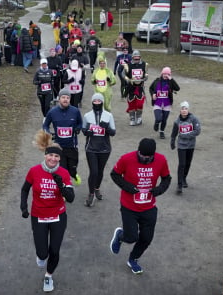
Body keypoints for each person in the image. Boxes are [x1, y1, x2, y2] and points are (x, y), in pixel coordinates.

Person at [20, 129, 75, 292]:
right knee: (42, 253)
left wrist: (61, 185)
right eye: (51, 155)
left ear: (60, 158)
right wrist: (23, 206)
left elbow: (71, 198)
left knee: (55, 250)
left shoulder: (63, 173)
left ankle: (48, 276)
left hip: (58, 215)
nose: (53, 158)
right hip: (39, 215)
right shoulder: (34, 171)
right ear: (45, 155)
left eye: (57, 156)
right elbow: (25, 189)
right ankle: (42, 257)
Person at [109, 138, 171, 274]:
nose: (145, 159)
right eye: (142, 156)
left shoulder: (161, 160)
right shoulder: (126, 159)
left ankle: (133, 259)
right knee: (131, 237)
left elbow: (167, 178)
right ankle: (120, 236)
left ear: (154, 155)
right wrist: (128, 187)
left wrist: (159, 190)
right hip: (129, 206)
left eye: (149, 157)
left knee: (147, 238)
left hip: (149, 206)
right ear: (138, 151)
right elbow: (115, 174)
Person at [43, 88, 83, 185]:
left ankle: (74, 174)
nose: (65, 100)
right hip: (59, 146)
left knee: (72, 168)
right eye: (63, 97)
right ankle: (65, 188)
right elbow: (45, 125)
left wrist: (78, 128)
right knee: (62, 170)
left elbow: (80, 123)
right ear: (59, 99)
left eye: (67, 98)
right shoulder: (52, 112)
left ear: (70, 99)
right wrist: (48, 132)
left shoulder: (75, 111)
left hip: (72, 145)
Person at [82, 93, 116, 207]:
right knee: (94, 171)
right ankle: (91, 194)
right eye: (94, 101)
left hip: (104, 148)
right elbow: (83, 129)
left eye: (99, 101)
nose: (96, 103)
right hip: (91, 148)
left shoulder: (108, 115)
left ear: (102, 102)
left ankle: (96, 188)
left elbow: (113, 132)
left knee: (100, 171)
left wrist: (106, 127)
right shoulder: (87, 115)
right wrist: (87, 132)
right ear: (92, 102)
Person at [170, 101, 201, 194]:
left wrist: (186, 135)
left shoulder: (194, 119)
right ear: (180, 110)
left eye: (186, 109)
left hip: (191, 145)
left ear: (188, 110)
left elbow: (197, 131)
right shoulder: (177, 121)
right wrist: (172, 141)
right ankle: (179, 185)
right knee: (182, 164)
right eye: (182, 109)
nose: (184, 110)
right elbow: (174, 133)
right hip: (181, 145)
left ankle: (184, 178)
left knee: (188, 163)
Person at [149, 67, 181, 139]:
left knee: (164, 119)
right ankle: (156, 123)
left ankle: (161, 131)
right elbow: (150, 88)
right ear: (162, 74)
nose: (166, 75)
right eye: (164, 73)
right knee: (158, 118)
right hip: (157, 103)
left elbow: (178, 88)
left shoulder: (170, 82)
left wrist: (171, 79)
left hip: (167, 104)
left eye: (167, 74)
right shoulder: (156, 81)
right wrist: (152, 95)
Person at [122, 50, 149, 126]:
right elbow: (123, 74)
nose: (136, 60)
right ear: (132, 57)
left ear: (140, 57)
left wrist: (145, 77)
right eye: (135, 58)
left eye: (138, 58)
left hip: (140, 87)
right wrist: (128, 80)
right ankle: (132, 118)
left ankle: (139, 117)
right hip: (131, 87)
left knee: (140, 103)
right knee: (131, 103)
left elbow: (146, 74)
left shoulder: (144, 64)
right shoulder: (128, 65)